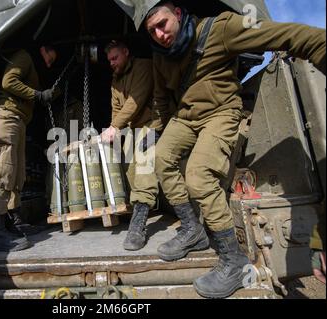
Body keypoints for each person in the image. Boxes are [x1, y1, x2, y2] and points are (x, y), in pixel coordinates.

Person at [141, 1, 326, 298]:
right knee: (161, 159)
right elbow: (162, 97)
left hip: (221, 112)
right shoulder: (160, 55)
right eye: (152, 31)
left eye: (162, 24)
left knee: (198, 176)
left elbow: (284, 34)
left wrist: (321, 48)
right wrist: (156, 129)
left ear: (177, 12)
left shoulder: (222, 28)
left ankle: (234, 260)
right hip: (186, 118)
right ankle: (193, 230)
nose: (160, 34)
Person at [0, 45, 58, 252]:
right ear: (43, 49)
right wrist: (38, 95)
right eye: (51, 57)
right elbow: (8, 82)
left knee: (16, 175)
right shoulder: (25, 55)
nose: (50, 63)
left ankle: (13, 221)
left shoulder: (33, 68)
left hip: (19, 121)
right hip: (6, 116)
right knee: (2, 172)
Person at [101, 40, 161, 251]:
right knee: (128, 169)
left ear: (126, 52)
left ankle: (139, 224)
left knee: (143, 165)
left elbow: (135, 101)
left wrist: (114, 126)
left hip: (153, 123)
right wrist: (113, 131)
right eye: (109, 60)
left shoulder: (143, 66)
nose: (112, 63)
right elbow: (116, 110)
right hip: (133, 129)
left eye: (115, 58)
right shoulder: (115, 82)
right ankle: (138, 209)